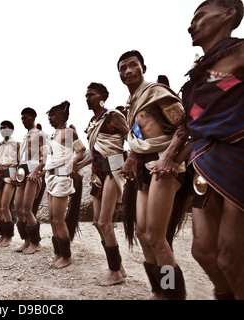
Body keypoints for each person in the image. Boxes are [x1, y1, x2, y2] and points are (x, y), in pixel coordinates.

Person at [178, 0, 244, 300]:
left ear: (229, 14)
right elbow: (187, 124)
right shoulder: (197, 75)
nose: (192, 24)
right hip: (203, 162)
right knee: (202, 251)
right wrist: (168, 157)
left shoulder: (241, 53)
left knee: (231, 259)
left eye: (201, 16)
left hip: (237, 160)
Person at [118, 50, 189, 299]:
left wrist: (169, 156)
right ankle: (158, 290)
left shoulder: (156, 92)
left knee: (157, 237)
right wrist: (128, 159)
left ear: (143, 68)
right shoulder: (133, 103)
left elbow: (186, 124)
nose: (127, 71)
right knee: (142, 234)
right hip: (142, 167)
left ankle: (172, 294)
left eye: (132, 65)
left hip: (164, 165)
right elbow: (139, 137)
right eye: (122, 68)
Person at [76, 82, 129, 285]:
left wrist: (130, 160)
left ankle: (114, 272)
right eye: (86, 95)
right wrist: (78, 165)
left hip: (113, 168)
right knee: (97, 222)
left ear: (102, 96)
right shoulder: (92, 121)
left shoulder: (113, 115)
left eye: (91, 94)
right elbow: (94, 152)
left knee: (105, 221)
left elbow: (131, 136)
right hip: (98, 170)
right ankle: (118, 265)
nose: (87, 98)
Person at [45, 101, 86, 269]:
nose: (50, 118)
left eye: (53, 115)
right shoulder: (52, 135)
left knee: (58, 219)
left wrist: (74, 161)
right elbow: (48, 155)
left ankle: (66, 256)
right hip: (50, 176)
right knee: (51, 218)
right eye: (49, 115)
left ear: (61, 116)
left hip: (62, 177)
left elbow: (82, 151)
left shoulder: (68, 132)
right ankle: (58, 253)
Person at [14, 108, 48, 254]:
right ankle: (26, 240)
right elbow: (21, 158)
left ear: (33, 117)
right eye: (22, 118)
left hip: (34, 169)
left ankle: (35, 242)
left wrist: (36, 171)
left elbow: (46, 157)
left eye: (26, 118)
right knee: (18, 208)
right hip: (22, 170)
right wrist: (17, 170)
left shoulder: (40, 135)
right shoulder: (24, 137)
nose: (24, 121)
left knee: (27, 208)